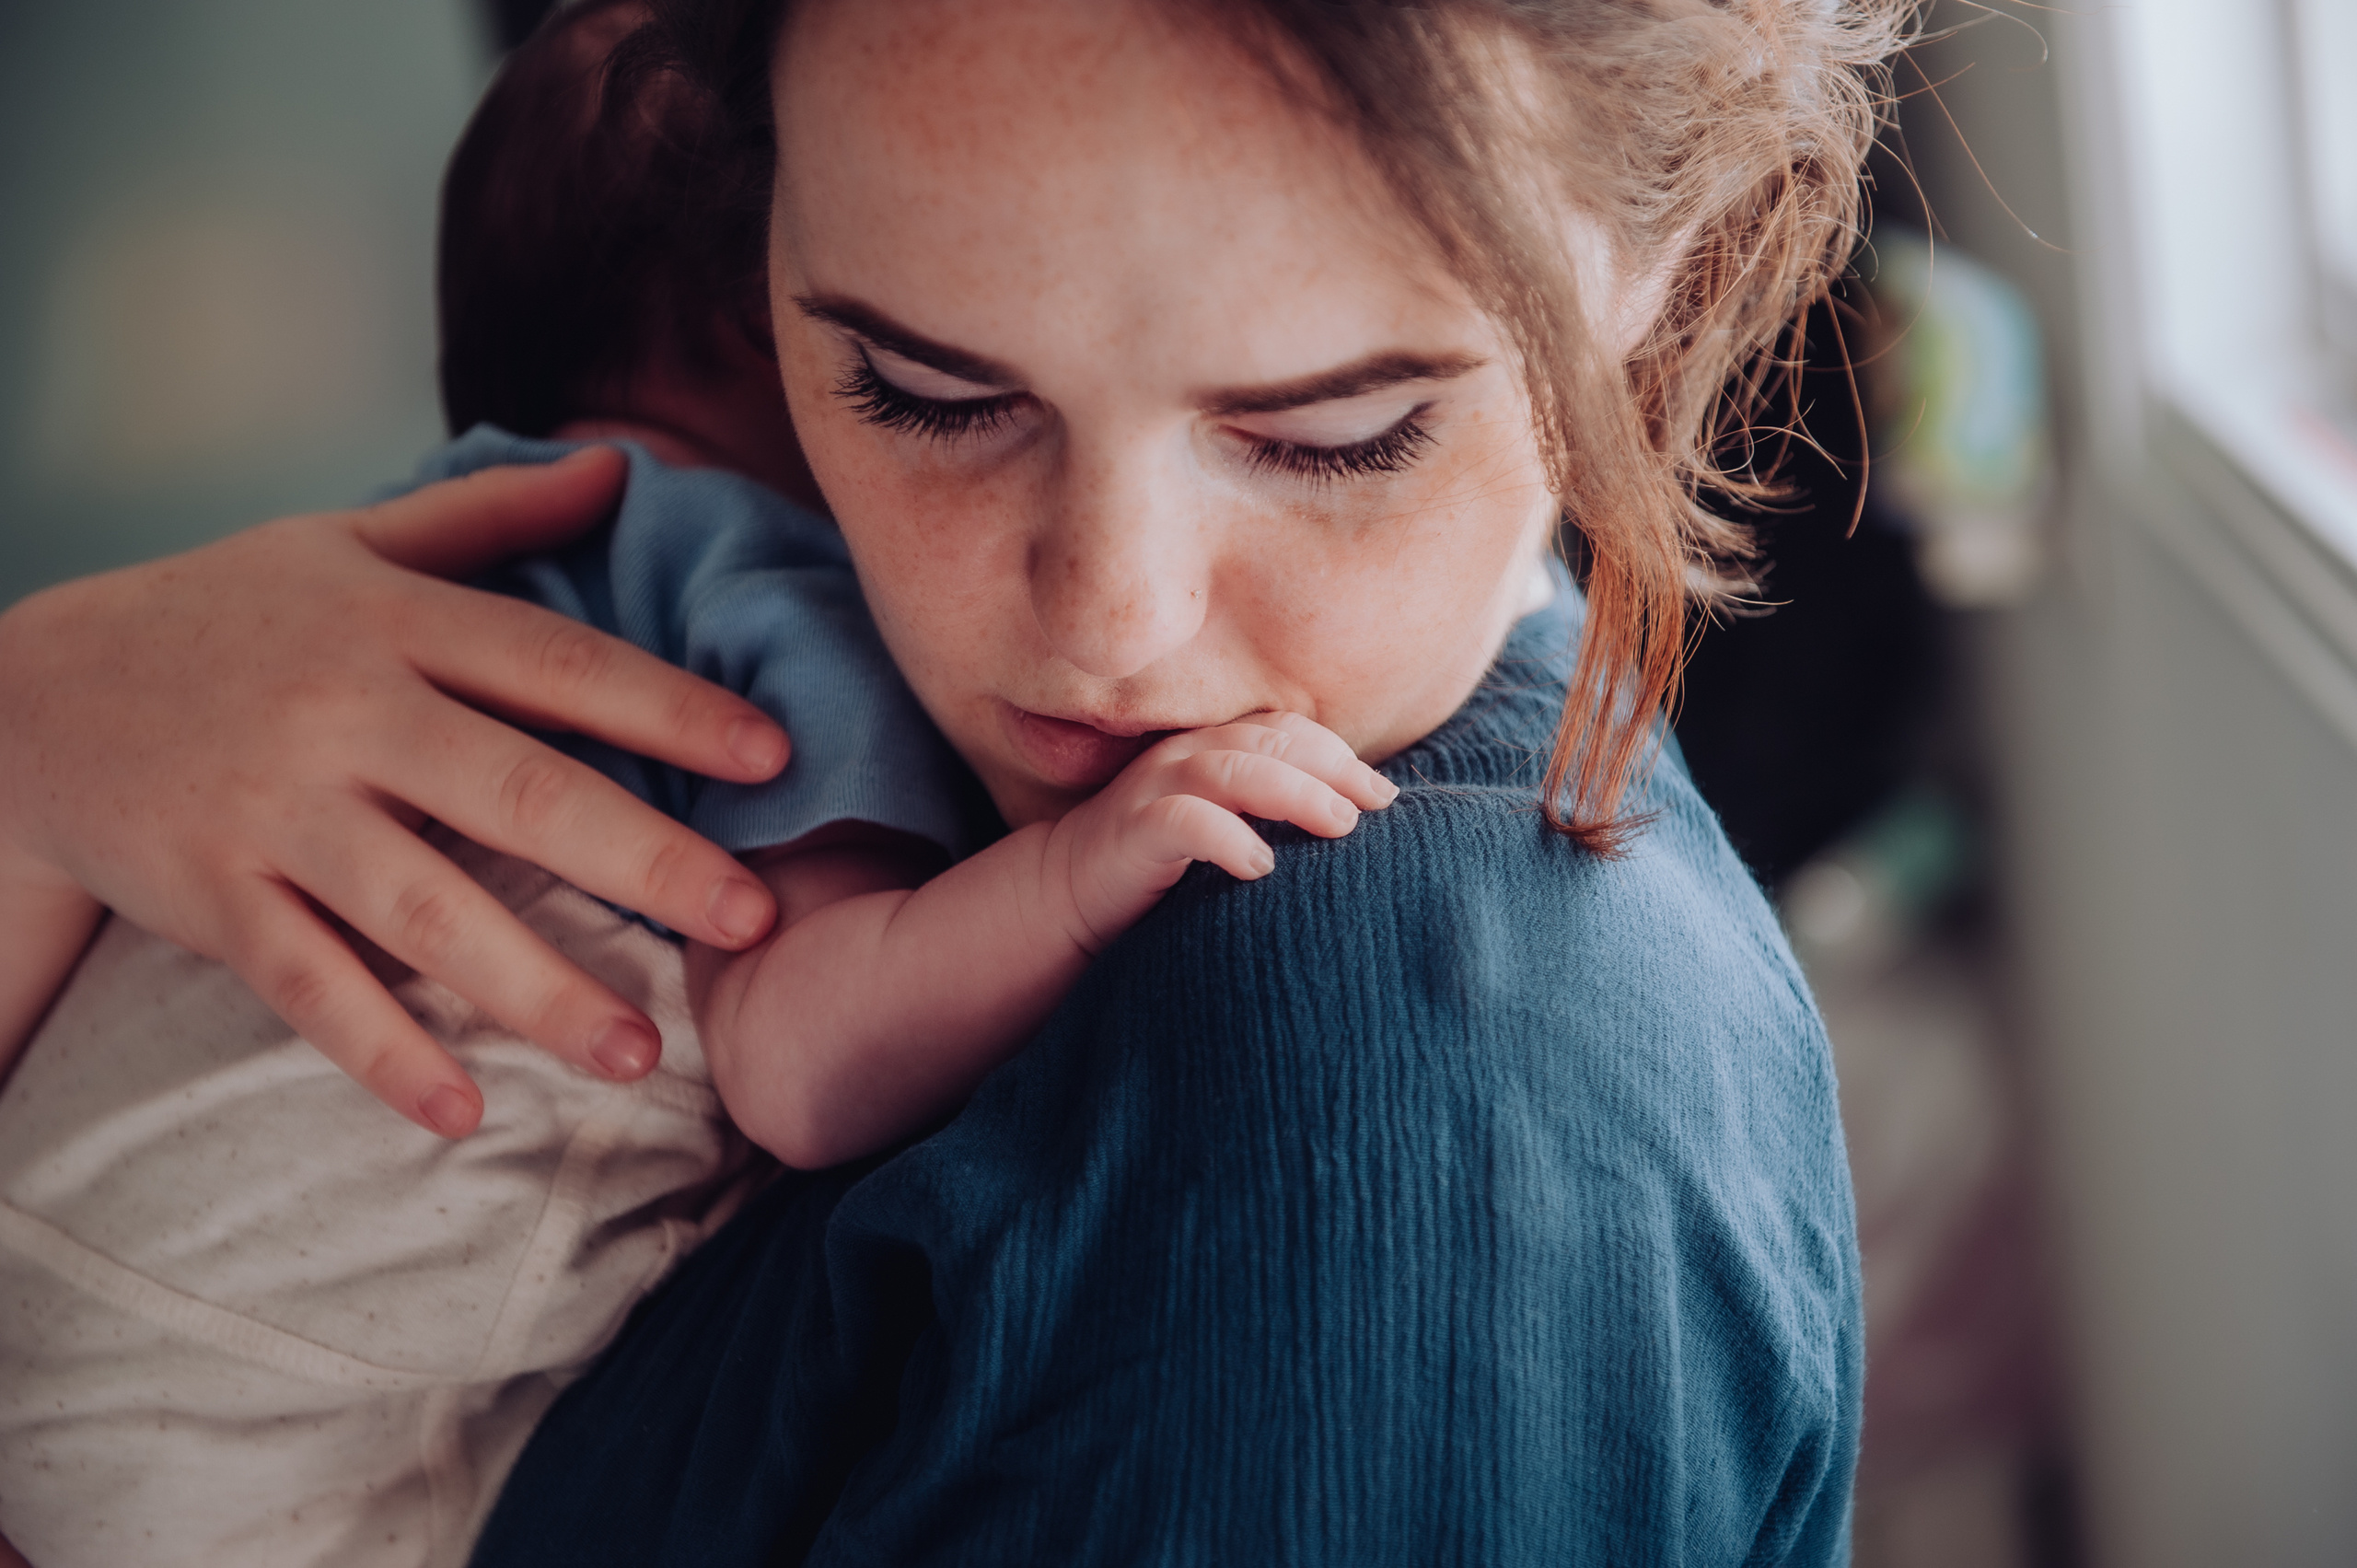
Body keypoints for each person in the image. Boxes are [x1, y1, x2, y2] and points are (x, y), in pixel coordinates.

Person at [0, 0, 1908, 1559]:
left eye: (1335, 432)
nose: (1104, 626)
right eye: (918, 394)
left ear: (1678, 256)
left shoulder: (1427, 1109)